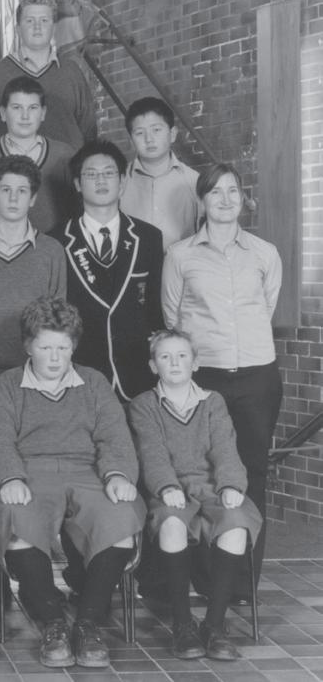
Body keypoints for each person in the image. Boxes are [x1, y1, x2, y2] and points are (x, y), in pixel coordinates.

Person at [0, 297, 144, 669]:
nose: (54, 358)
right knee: (17, 518)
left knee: (120, 517)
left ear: (73, 347)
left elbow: (114, 437)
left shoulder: (94, 382)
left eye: (63, 348)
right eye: (45, 348)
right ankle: (52, 621)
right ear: (28, 346)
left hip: (88, 471)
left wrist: (117, 474)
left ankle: (88, 623)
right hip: (29, 471)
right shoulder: (7, 385)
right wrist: (9, 476)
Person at [162, 164, 282, 588]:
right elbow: (172, 317)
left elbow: (266, 308)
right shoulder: (180, 255)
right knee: (202, 472)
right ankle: (204, 577)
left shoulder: (265, 253)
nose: (226, 200)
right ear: (202, 201)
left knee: (252, 472)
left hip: (256, 376)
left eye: (233, 191)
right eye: (216, 192)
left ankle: (243, 580)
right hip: (204, 379)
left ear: (243, 199)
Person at [130, 329, 263, 661]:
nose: (174, 363)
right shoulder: (144, 405)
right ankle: (183, 624)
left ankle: (214, 625)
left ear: (195, 363)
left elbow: (225, 449)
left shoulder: (212, 402)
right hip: (171, 489)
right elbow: (152, 454)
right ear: (153, 365)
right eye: (165, 357)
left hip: (212, 486)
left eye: (182, 356)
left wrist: (231, 485)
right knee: (172, 523)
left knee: (235, 523)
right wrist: (166, 486)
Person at [49, 140, 164, 400]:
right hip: (80, 376)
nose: (101, 180)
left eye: (109, 173)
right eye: (91, 174)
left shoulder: (148, 237)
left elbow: (155, 309)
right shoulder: (56, 241)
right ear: (77, 184)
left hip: (138, 375)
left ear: (122, 182)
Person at [0, 155, 66, 404]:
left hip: (36, 371)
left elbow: (58, 318)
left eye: (22, 191)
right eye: (5, 190)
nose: (13, 198)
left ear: (33, 199)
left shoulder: (51, 251)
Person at [0, 0, 96, 150]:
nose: (37, 27)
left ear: (54, 28)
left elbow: (89, 129)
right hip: (12, 164)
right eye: (30, 21)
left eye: (44, 20)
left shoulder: (72, 72)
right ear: (18, 29)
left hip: (67, 164)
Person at [0, 76, 76, 235]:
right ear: (3, 113)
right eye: (17, 107)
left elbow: (77, 211)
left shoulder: (65, 156)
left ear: (43, 113)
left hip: (56, 247)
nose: (25, 116)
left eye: (33, 108)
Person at [121, 96, 201, 250]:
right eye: (140, 133)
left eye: (156, 130)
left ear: (172, 134)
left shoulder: (194, 181)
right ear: (131, 141)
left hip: (180, 263)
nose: (149, 139)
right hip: (132, 263)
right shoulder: (119, 182)